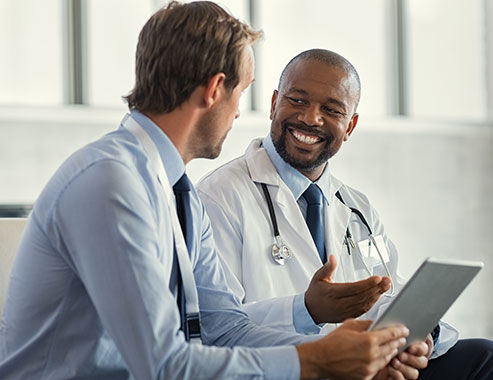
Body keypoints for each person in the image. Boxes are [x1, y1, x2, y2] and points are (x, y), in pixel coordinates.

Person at [0, 3, 414, 380]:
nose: (238, 111)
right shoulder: (112, 184)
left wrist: (344, 354)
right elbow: (163, 365)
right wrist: (318, 362)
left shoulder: (180, 196)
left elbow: (224, 330)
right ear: (216, 89)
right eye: (242, 92)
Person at [196, 48, 493, 379]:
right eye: (297, 100)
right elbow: (216, 328)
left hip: (365, 367)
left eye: (331, 110)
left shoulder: (356, 209)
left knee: (483, 356)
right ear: (273, 104)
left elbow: (389, 293)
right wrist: (306, 310)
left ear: (349, 125)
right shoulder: (219, 197)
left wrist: (422, 337)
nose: (310, 118)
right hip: (290, 370)